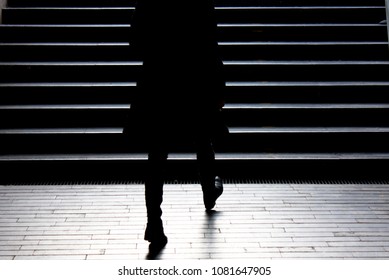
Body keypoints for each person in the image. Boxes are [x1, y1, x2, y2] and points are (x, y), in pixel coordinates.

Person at [128, 0, 228, 253]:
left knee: (157, 155)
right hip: (195, 79)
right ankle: (209, 189)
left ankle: (154, 221)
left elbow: (135, 43)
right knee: (203, 138)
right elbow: (211, 43)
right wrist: (218, 84)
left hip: (159, 82)